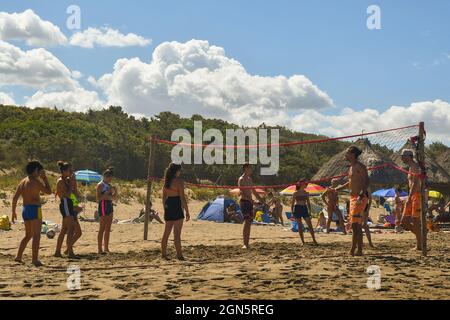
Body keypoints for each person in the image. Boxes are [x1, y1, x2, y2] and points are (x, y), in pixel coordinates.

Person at [12, 161, 52, 266]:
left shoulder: (22, 182)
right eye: (39, 171)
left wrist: (13, 212)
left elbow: (15, 198)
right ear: (34, 171)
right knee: (36, 235)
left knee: (28, 235)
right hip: (35, 209)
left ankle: (18, 256)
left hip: (25, 209)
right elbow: (49, 191)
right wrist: (45, 179)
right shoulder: (35, 182)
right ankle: (35, 260)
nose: (39, 173)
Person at [335, 146, 370, 256]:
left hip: (359, 197)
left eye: (347, 153)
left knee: (355, 225)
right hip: (352, 198)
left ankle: (352, 250)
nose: (345, 155)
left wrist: (361, 195)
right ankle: (359, 250)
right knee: (356, 226)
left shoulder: (360, 166)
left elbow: (366, 181)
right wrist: (337, 189)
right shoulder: (351, 167)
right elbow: (350, 183)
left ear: (353, 154)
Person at [161, 163, 190, 260]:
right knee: (177, 233)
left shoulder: (166, 181)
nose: (180, 172)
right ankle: (179, 255)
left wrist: (165, 208)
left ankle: (164, 254)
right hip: (177, 204)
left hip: (169, 204)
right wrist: (187, 211)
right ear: (176, 171)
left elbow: (164, 197)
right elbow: (182, 197)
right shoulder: (179, 181)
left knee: (166, 232)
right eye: (179, 170)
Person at [54, 162, 79, 258]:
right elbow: (67, 194)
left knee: (64, 229)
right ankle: (70, 252)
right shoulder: (61, 181)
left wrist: (73, 183)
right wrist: (71, 185)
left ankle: (57, 251)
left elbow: (74, 193)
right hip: (65, 203)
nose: (71, 172)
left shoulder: (67, 180)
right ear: (64, 171)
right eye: (69, 170)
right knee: (71, 228)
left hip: (68, 203)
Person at [400, 149, 423, 251]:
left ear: (409, 156)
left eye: (403, 156)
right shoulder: (410, 167)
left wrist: (409, 197)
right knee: (404, 221)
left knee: (416, 221)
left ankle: (420, 244)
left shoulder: (414, 166)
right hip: (412, 195)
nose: (401, 158)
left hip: (416, 196)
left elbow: (415, 183)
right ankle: (421, 238)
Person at [238, 162, 264, 249]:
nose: (251, 169)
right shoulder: (241, 179)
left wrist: (261, 199)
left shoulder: (249, 179)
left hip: (249, 202)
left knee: (249, 222)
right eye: (250, 168)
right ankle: (245, 244)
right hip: (244, 202)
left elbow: (254, 191)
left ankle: (247, 243)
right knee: (247, 221)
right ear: (245, 168)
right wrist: (252, 201)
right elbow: (242, 193)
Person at [96, 167, 118, 254]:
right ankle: (99, 249)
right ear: (105, 176)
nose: (110, 180)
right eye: (109, 178)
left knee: (108, 228)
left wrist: (115, 191)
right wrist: (106, 193)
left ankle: (106, 248)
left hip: (110, 205)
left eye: (111, 178)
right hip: (103, 205)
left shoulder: (109, 185)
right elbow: (98, 199)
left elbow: (114, 198)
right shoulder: (100, 185)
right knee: (102, 228)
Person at [291, 180, 318, 245]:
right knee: (299, 226)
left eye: (305, 184)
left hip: (304, 208)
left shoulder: (306, 193)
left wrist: (310, 212)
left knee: (310, 225)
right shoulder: (295, 193)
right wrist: (292, 213)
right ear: (300, 185)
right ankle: (302, 241)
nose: (305, 185)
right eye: (304, 184)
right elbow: (292, 204)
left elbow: (308, 203)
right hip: (297, 208)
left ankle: (314, 240)